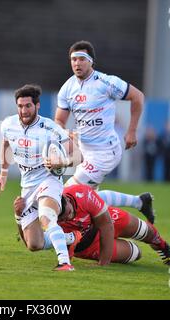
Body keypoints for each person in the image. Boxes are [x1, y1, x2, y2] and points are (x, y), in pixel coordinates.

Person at [0, 84, 95, 271]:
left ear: (37, 106)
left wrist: (61, 163)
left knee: (46, 217)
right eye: (20, 106)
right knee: (34, 244)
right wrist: (3, 174)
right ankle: (70, 237)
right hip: (27, 187)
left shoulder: (51, 128)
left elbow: (79, 155)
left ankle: (65, 263)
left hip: (48, 181)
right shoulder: (8, 124)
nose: (24, 110)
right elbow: (6, 144)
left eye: (28, 106)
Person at [54, 40, 154, 222]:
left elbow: (137, 96)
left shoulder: (106, 82)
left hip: (105, 152)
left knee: (67, 194)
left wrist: (132, 131)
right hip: (85, 151)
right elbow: (59, 120)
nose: (77, 63)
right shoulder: (67, 88)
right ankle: (140, 202)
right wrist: (65, 132)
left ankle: (65, 238)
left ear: (91, 61)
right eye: (73, 59)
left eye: (82, 59)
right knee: (90, 197)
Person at [14, 184, 170, 266]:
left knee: (145, 231)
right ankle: (138, 203)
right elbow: (32, 243)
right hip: (87, 246)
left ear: (67, 200)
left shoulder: (81, 193)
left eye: (69, 212)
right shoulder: (49, 218)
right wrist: (19, 218)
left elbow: (106, 224)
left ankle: (163, 246)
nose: (69, 217)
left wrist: (104, 263)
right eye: (63, 218)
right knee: (136, 254)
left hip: (104, 221)